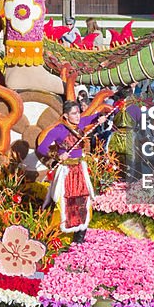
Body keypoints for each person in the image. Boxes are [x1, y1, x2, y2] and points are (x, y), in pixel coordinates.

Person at [37, 100, 110, 240]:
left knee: (83, 198)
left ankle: (80, 235)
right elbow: (41, 147)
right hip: (66, 171)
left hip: (80, 169)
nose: (78, 116)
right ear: (65, 116)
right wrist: (57, 155)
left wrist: (100, 117)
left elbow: (94, 117)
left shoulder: (81, 123)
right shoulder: (58, 130)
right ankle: (52, 234)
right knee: (62, 199)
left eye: (78, 113)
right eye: (74, 114)